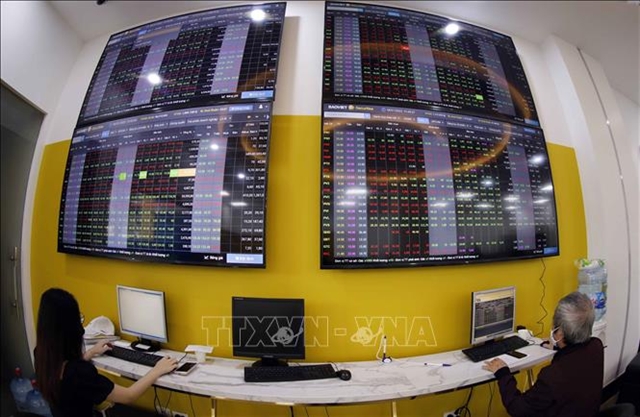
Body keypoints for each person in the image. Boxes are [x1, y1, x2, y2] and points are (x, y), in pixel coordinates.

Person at [35, 288, 178, 417]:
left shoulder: (41, 355)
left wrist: (90, 353)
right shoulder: (80, 373)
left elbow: (69, 377)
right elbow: (129, 396)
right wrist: (157, 369)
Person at [482, 291, 604, 417]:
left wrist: (503, 374)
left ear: (560, 333)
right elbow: (575, 359)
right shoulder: (596, 346)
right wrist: (558, 347)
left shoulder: (553, 376)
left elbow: (517, 409)